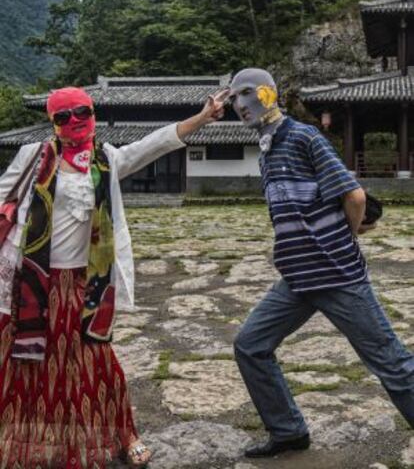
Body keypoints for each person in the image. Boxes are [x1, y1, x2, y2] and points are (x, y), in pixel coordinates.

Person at [0, 86, 225, 468]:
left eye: (81, 113)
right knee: (25, 360)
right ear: (52, 123)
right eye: (63, 116)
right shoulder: (32, 156)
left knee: (95, 360)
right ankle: (34, 438)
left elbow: (155, 144)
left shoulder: (106, 159)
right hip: (34, 283)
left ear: (93, 114)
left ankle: (123, 433)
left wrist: (201, 119)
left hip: (84, 284)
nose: (74, 122)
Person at [229, 68, 414, 458]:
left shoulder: (302, 136)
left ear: (269, 93)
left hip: (336, 274)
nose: (239, 103)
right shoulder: (267, 149)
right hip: (296, 279)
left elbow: (355, 196)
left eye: (246, 93)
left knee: (391, 363)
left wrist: (344, 239)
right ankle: (288, 431)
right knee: (251, 345)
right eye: (233, 97)